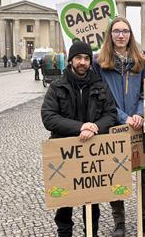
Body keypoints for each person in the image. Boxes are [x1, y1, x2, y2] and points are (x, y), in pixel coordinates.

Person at [41, 41, 118, 237]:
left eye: (86, 58)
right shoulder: (57, 86)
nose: (82, 62)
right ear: (71, 60)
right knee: (64, 199)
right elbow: (49, 117)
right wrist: (80, 127)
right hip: (65, 150)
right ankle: (64, 232)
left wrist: (95, 128)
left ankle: (91, 233)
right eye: (78, 58)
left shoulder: (100, 85)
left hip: (92, 150)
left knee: (92, 197)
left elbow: (110, 114)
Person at [94, 17, 145, 237]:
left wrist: (138, 114)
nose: (121, 35)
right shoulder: (99, 64)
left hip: (138, 124)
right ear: (110, 35)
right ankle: (119, 221)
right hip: (113, 124)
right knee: (114, 174)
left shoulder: (141, 63)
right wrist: (123, 117)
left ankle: (144, 218)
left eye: (125, 31)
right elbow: (100, 96)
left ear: (130, 34)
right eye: (116, 31)